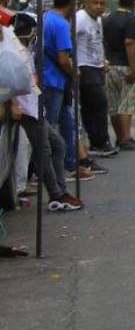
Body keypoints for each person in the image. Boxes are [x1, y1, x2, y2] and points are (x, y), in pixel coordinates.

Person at [9, 12, 78, 211]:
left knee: (56, 145)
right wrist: (14, 103)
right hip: (26, 108)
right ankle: (56, 194)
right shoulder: (12, 52)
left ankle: (60, 190)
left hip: (33, 105)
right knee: (45, 149)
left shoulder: (23, 50)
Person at [41, 0, 90, 181]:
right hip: (54, 81)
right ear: (72, 2)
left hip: (51, 80)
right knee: (51, 129)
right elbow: (63, 59)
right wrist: (74, 72)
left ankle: (70, 163)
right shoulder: (61, 24)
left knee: (67, 122)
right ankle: (49, 172)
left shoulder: (46, 17)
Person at [105, 0, 135, 152]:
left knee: (115, 105)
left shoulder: (108, 19)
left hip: (112, 65)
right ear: (134, 3)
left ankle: (119, 137)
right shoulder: (132, 20)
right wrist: (134, 68)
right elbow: (130, 42)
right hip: (126, 65)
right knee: (127, 104)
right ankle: (125, 138)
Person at [76, 0, 117, 157]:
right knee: (98, 104)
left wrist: (103, 60)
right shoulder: (80, 19)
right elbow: (69, 40)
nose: (98, 7)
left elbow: (97, 43)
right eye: (95, 3)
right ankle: (99, 142)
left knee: (94, 106)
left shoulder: (98, 20)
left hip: (96, 67)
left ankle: (98, 141)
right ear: (87, 2)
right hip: (84, 67)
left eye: (102, 4)